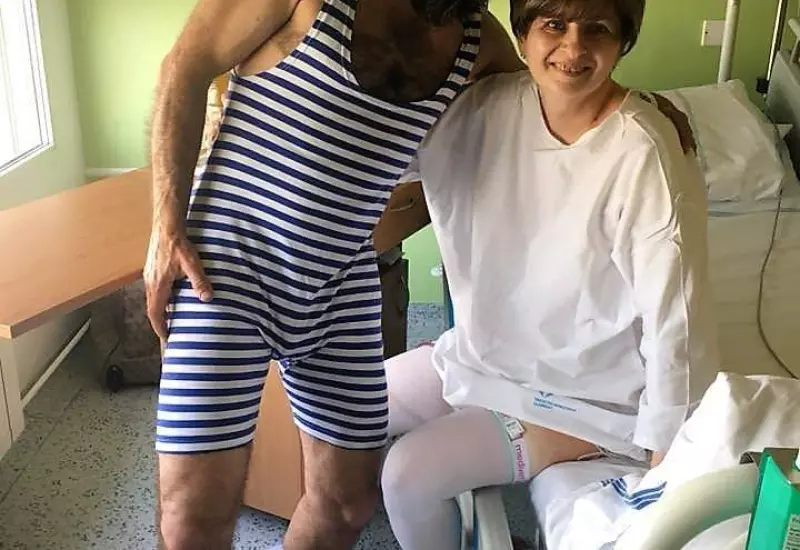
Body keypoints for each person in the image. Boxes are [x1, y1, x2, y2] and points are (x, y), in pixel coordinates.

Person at [144, 0, 693, 548]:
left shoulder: (478, 39)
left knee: (346, 502)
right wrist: (167, 227)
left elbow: (547, 89)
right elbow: (185, 64)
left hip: (341, 282)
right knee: (194, 517)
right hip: (229, 267)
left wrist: (638, 107)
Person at [379, 0, 721, 548]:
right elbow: (379, 152)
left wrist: (667, 462)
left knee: (408, 476)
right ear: (522, 35)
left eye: (597, 29)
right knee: (351, 408)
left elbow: (676, 320)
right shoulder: (478, 112)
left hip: (586, 400)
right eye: (554, 25)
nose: (573, 47)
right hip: (484, 357)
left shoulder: (644, 150)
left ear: (624, 40)